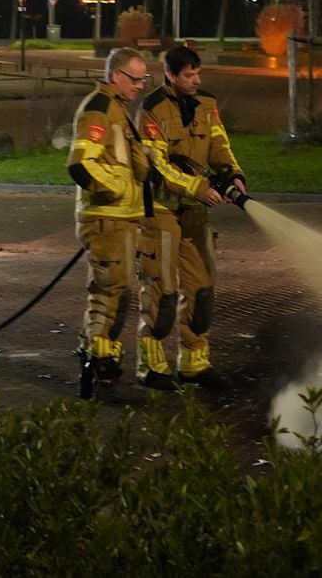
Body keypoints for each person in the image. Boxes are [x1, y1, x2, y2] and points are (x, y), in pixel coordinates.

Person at [138, 46, 246, 390]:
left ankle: (194, 363)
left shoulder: (207, 104)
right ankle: (152, 365)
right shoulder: (151, 109)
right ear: (170, 75)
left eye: (198, 74)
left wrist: (232, 175)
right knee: (163, 290)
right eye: (189, 75)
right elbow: (157, 166)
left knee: (202, 288)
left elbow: (219, 145)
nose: (197, 80)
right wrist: (197, 187)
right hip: (162, 210)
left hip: (195, 213)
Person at [67, 47, 152, 387]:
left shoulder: (117, 109)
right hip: (105, 219)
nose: (141, 86)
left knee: (119, 291)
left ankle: (103, 355)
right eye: (135, 79)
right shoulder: (99, 108)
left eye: (144, 79)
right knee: (108, 291)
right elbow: (80, 164)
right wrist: (113, 190)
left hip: (121, 219)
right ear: (117, 76)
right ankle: (98, 358)